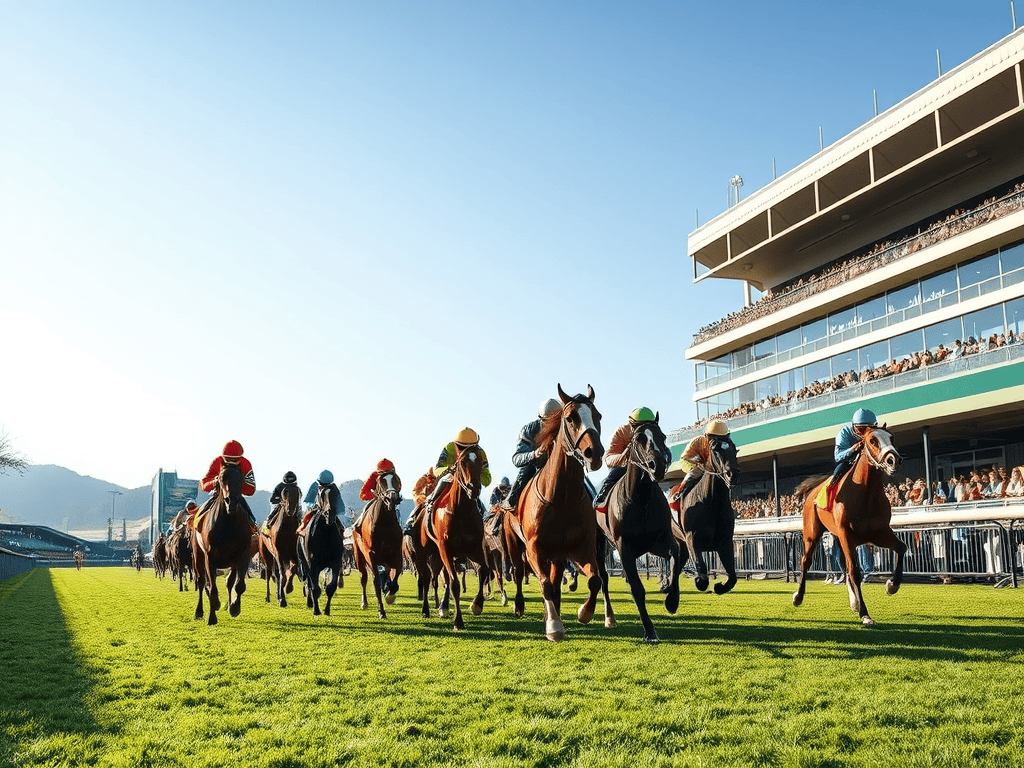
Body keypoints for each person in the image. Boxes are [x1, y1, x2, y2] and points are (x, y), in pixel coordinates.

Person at [404, 428, 491, 532]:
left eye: (470, 447)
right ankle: (427, 505)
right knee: (443, 480)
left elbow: (487, 477)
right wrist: (449, 470)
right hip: (450, 478)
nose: (464, 450)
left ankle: (486, 522)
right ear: (456, 444)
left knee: (477, 500)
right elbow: (438, 469)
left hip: (469, 484)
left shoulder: (480, 453)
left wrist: (473, 476)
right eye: (461, 447)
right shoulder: (449, 447)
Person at [593, 407, 665, 513]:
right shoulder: (622, 431)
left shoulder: (654, 432)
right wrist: (624, 456)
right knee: (614, 474)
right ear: (633, 425)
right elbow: (608, 458)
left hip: (645, 467)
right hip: (623, 467)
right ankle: (602, 498)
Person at [500, 398, 561, 512]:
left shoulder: (563, 427)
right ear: (542, 419)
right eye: (551, 421)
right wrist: (535, 454)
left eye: (557, 421)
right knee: (526, 470)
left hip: (558, 465)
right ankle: (511, 502)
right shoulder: (529, 430)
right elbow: (517, 459)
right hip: (535, 466)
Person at [669, 419, 731, 508]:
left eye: (721, 438)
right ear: (707, 436)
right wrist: (697, 465)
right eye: (714, 438)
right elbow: (684, 459)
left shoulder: (727, 444)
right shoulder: (697, 442)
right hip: (698, 467)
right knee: (691, 476)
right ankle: (680, 494)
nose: (717, 441)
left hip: (716, 470)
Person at [199, 440, 257, 525]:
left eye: (234, 460)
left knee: (252, 520)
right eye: (228, 459)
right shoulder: (217, 462)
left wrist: (237, 484)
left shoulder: (246, 464)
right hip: (218, 495)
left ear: (240, 458)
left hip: (237, 496)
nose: (231, 462)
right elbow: (204, 484)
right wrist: (215, 482)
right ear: (223, 457)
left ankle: (254, 529)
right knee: (198, 517)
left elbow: (251, 490)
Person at [829, 409, 878, 490]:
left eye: (869, 428)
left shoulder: (876, 433)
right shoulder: (844, 432)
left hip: (870, 460)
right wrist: (853, 448)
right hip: (849, 462)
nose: (864, 433)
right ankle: (830, 491)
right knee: (839, 470)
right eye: (861, 429)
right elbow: (838, 457)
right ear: (854, 426)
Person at [354, 459, 397, 527]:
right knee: (366, 509)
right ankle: (357, 525)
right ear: (379, 473)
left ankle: (407, 529)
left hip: (391, 501)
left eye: (390, 472)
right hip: (376, 500)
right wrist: (374, 495)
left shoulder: (394, 478)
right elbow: (362, 494)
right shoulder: (374, 476)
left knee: (399, 511)